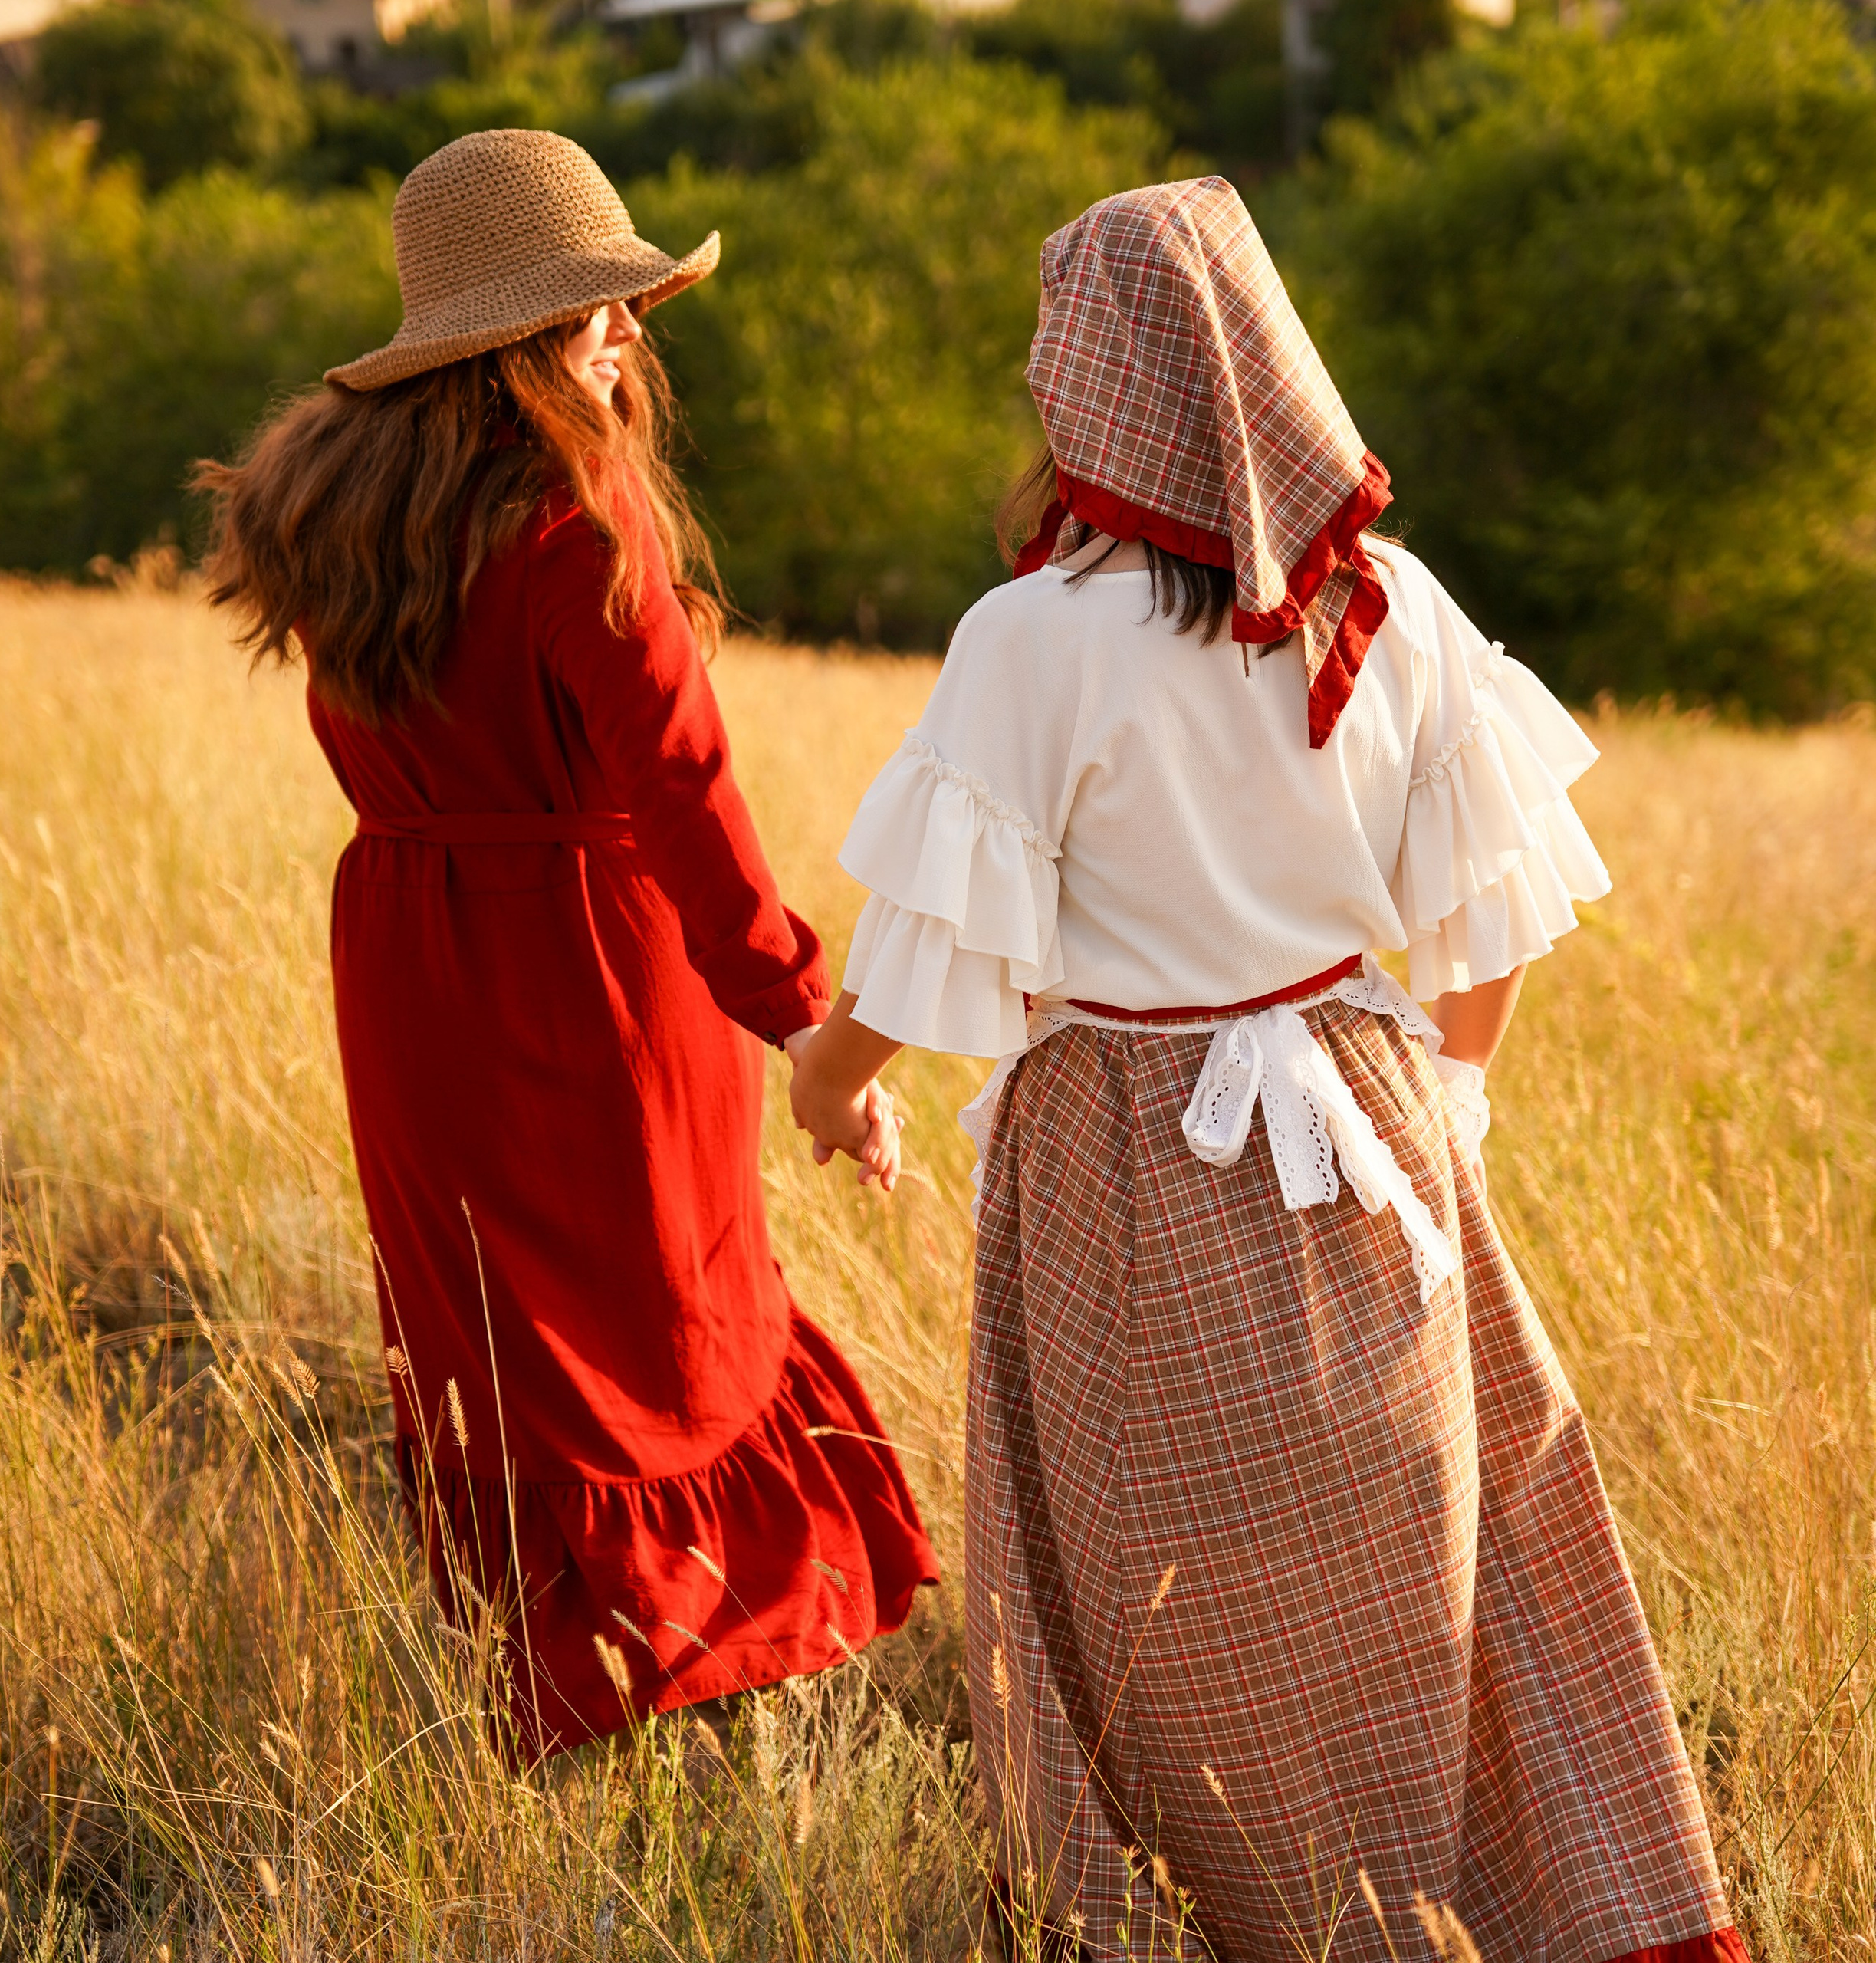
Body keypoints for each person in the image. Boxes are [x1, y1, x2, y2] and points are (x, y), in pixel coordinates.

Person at [790, 179, 1746, 1962]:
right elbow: (1488, 900)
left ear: (1087, 384)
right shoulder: (1388, 601)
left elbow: (923, 937)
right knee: (1424, 1561)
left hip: (1122, 1161)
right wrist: (1450, 1095)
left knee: (1139, 1602)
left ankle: (1206, 1918)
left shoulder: (1031, 638)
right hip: (1372, 1127)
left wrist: (827, 1081)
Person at [197, 129, 937, 1759]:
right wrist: (804, 1021)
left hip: (409, 964)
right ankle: (673, 1689)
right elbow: (686, 791)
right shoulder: (574, 524)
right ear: (512, 339)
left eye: (625, 303)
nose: (625, 334)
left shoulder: (346, 510)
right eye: (593, 307)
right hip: (593, 972)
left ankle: (543, 1692)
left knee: (495, 1340)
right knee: (656, 1334)